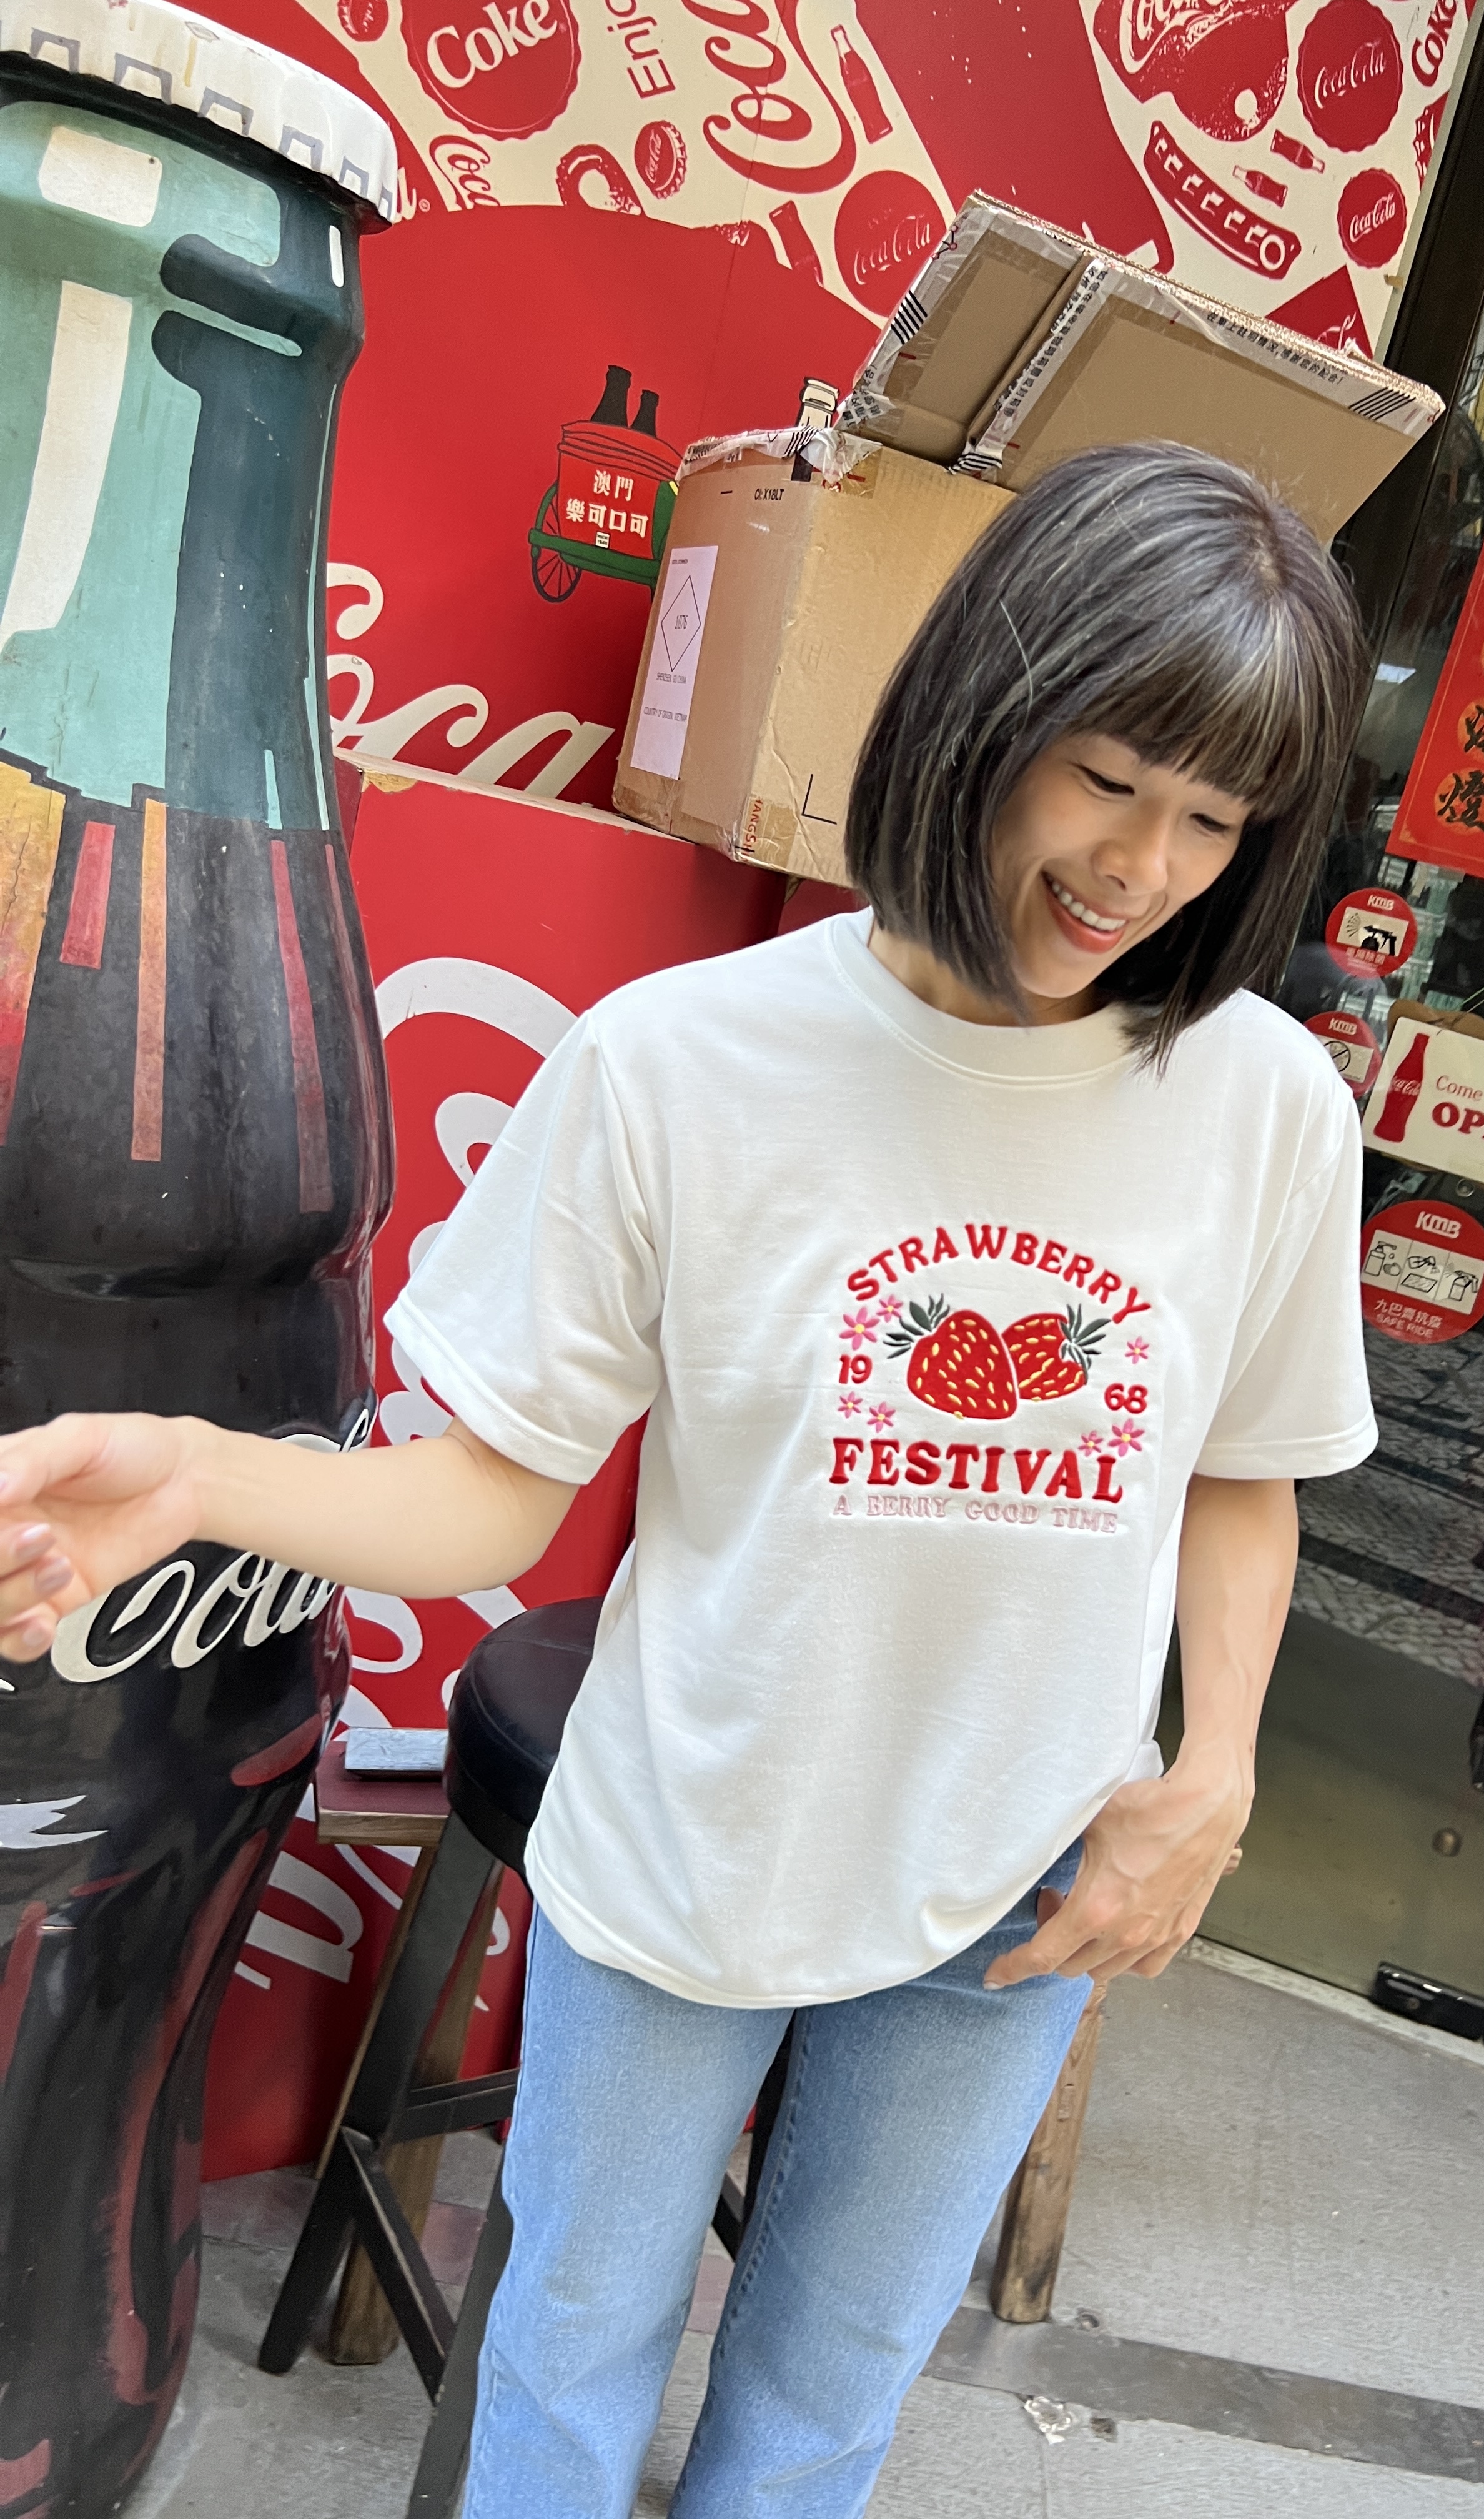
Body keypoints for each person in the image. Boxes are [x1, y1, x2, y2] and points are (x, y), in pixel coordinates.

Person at [0, 440, 1376, 2516]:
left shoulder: (1262, 1102)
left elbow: (1246, 1472)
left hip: (1022, 1869)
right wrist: (197, 1476)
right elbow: (494, 1500)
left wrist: (1221, 1771)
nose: (1144, 869)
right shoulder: (681, 1065)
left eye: (1215, 819)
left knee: (827, 2401)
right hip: (694, 1847)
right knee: (567, 2365)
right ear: (985, 710)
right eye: (1108, 779)